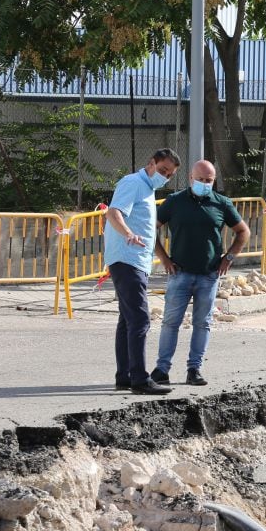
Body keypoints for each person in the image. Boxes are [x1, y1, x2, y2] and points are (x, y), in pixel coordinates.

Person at [152, 160, 250, 387]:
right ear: (190, 178)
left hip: (208, 275)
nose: (205, 184)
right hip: (180, 273)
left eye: (209, 180)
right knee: (170, 322)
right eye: (201, 180)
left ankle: (194, 369)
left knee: (202, 323)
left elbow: (242, 231)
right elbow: (151, 228)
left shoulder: (221, 203)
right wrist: (164, 258)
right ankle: (162, 369)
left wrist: (229, 257)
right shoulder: (174, 202)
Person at [104, 148, 182, 395]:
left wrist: (162, 258)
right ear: (151, 163)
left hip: (135, 261)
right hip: (127, 260)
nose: (164, 176)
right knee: (139, 319)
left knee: (127, 321)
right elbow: (114, 212)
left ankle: (125, 375)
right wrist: (128, 234)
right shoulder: (133, 183)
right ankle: (139, 379)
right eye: (162, 170)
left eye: (169, 175)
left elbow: (149, 231)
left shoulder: (147, 189)